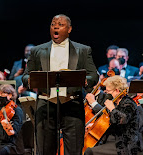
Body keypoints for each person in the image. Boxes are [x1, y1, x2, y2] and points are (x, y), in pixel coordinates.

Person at [22, 14, 98, 155]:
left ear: (69, 29)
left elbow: (93, 75)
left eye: (60, 24)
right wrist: (31, 80)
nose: (55, 26)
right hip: (46, 104)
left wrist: (84, 80)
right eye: (53, 24)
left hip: (72, 103)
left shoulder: (83, 50)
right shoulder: (37, 50)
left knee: (74, 149)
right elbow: (26, 75)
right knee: (44, 149)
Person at [84, 75, 142, 155]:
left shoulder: (129, 103)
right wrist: (93, 126)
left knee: (89, 152)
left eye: (108, 91)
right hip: (112, 139)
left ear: (117, 90)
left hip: (125, 143)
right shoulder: (115, 102)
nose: (106, 93)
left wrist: (112, 109)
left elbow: (123, 120)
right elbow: (108, 120)